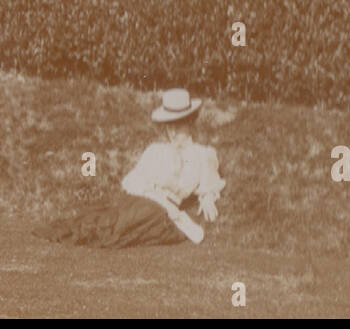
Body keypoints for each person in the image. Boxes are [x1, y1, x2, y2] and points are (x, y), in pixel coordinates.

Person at [37, 89, 225, 247]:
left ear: (190, 123)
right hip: (143, 200)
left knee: (118, 228)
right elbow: (135, 182)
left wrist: (208, 197)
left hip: (163, 212)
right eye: (169, 127)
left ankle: (79, 232)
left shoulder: (202, 154)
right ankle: (69, 230)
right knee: (110, 217)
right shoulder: (157, 150)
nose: (173, 132)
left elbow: (210, 182)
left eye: (178, 126)